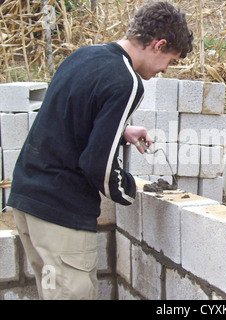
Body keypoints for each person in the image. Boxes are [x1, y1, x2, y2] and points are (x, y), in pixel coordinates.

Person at [8, 1, 193, 300]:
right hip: (61, 212)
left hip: (26, 199)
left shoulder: (85, 55)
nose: (163, 70)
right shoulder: (128, 81)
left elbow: (68, 120)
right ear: (159, 45)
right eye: (169, 61)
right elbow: (99, 167)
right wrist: (131, 191)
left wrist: (120, 133)